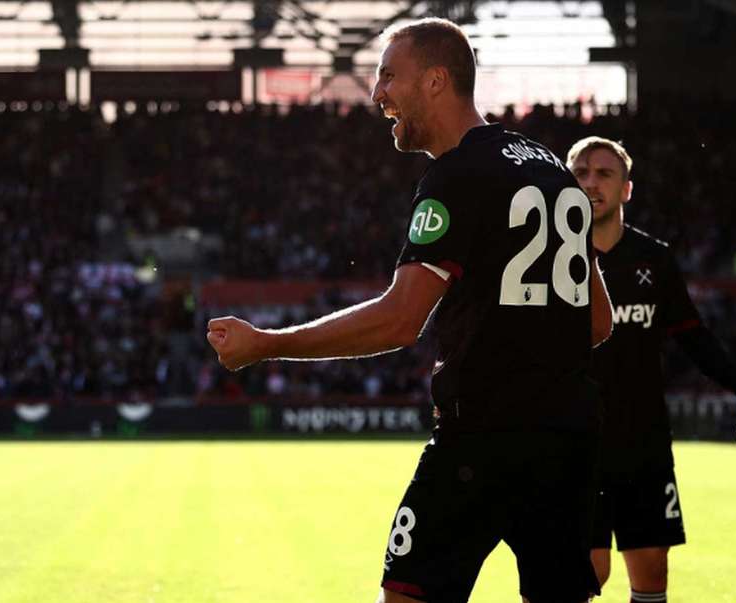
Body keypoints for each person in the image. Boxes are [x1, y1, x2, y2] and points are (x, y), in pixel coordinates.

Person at [207, 19, 613, 603]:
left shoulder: (455, 176)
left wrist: (269, 343)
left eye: (388, 77)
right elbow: (597, 321)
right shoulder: (550, 169)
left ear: (436, 81)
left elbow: (400, 320)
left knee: (408, 594)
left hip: (482, 434)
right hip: (568, 437)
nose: (376, 95)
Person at [565, 136, 736, 603]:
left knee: (652, 571)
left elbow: (691, 333)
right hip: (575, 443)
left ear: (627, 190)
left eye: (604, 173)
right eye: (580, 173)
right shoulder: (548, 260)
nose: (591, 182)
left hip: (644, 441)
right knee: (587, 572)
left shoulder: (654, 259)